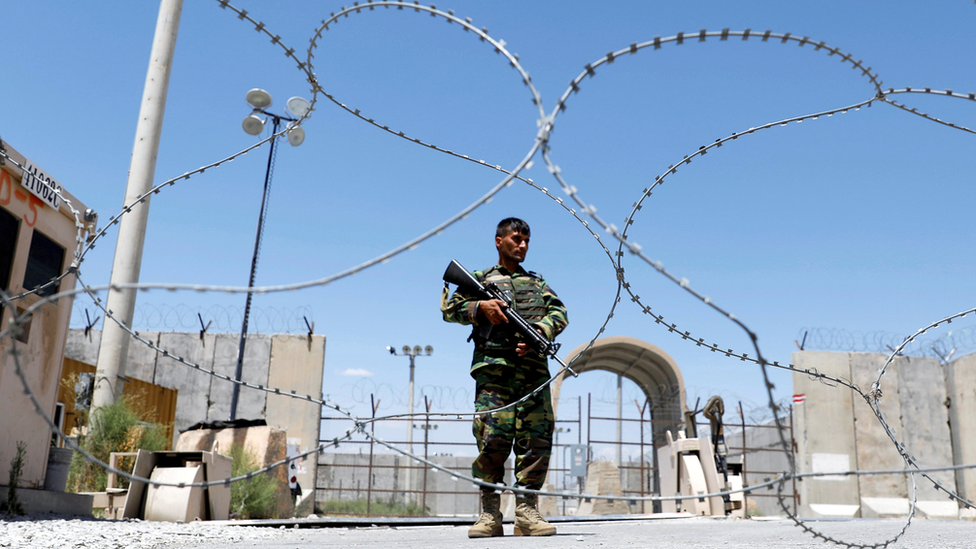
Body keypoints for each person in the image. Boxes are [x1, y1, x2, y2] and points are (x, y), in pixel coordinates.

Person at [441, 217, 568, 538]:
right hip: (494, 371)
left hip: (533, 374)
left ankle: (526, 512)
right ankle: (489, 514)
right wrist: (481, 307)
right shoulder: (480, 279)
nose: (522, 245)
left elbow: (560, 313)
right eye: (516, 239)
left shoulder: (538, 284)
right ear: (499, 241)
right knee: (492, 439)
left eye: (526, 240)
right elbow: (449, 310)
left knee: (536, 441)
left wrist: (540, 330)